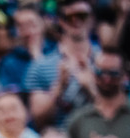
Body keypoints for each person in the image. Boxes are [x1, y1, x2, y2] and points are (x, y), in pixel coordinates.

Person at [25, 0, 98, 129]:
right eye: (69, 17)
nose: (76, 21)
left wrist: (91, 87)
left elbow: (120, 113)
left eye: (82, 15)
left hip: (99, 137)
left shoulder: (107, 61)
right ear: (61, 21)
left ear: (91, 19)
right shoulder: (40, 66)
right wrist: (59, 86)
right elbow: (38, 120)